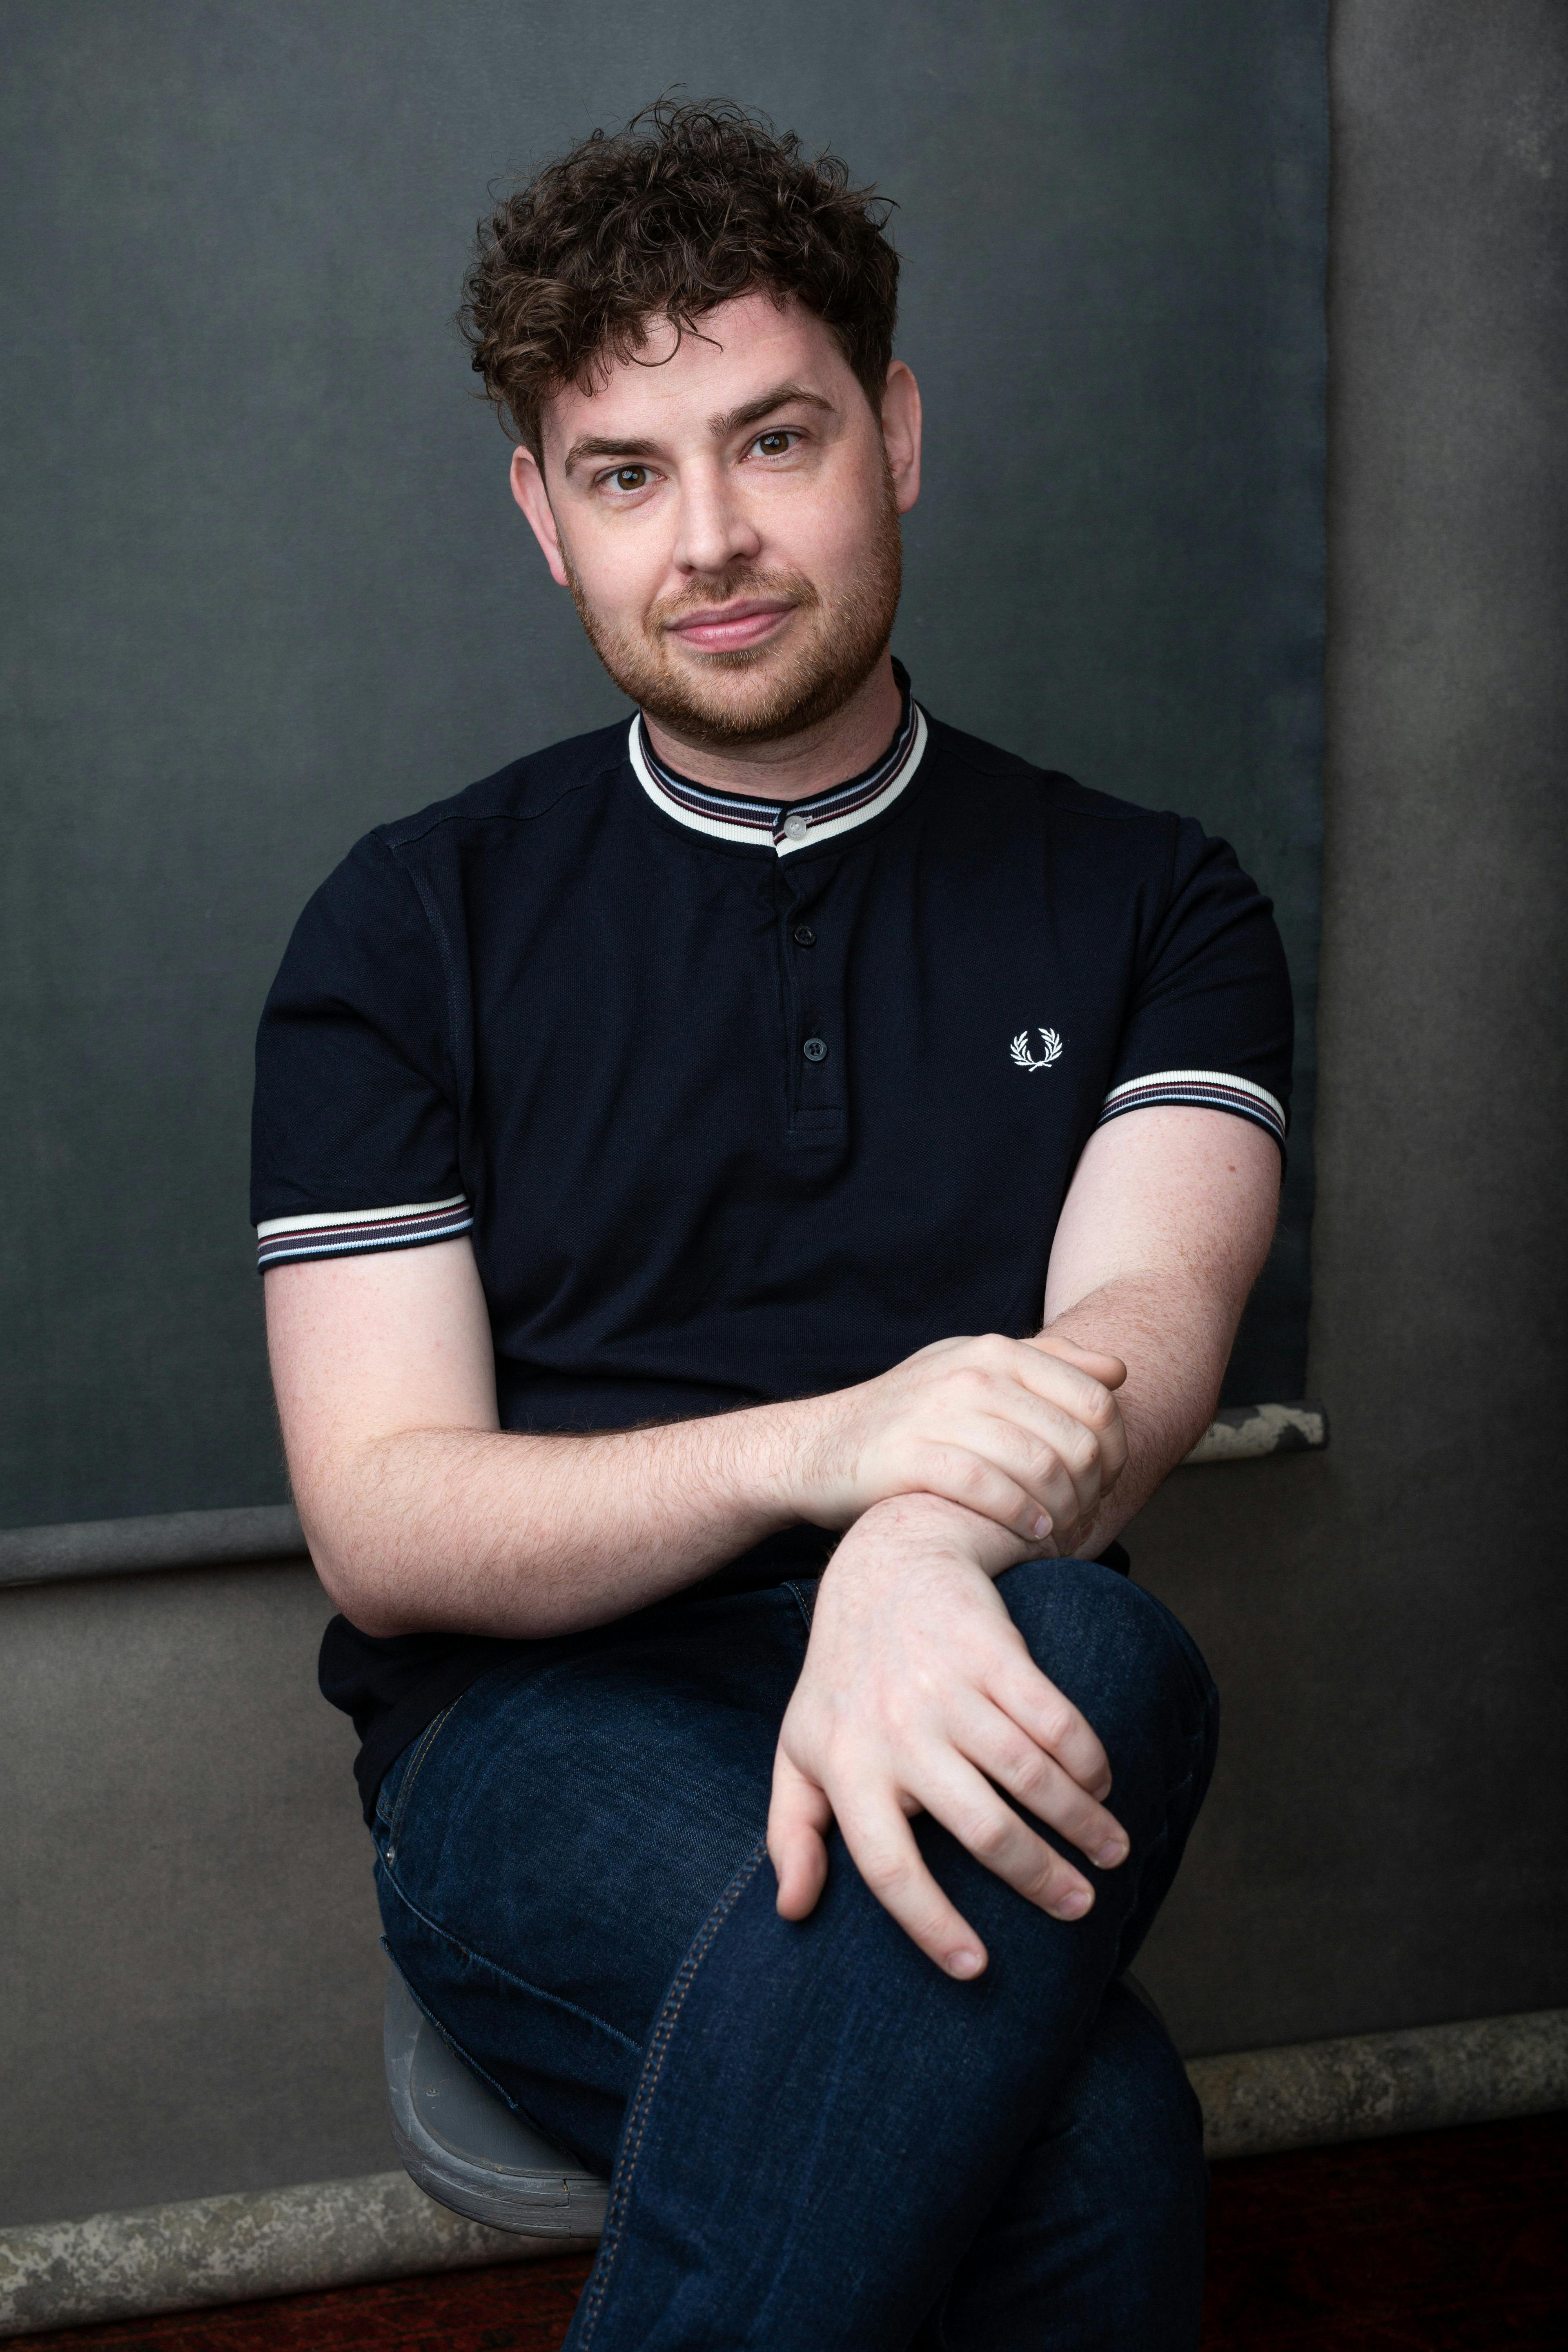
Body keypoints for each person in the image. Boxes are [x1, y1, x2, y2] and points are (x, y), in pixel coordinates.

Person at [253, 100, 1290, 2351]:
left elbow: (1148, 1319)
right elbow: (389, 1524)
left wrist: (909, 1549)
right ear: (545, 519)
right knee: (1090, 2142)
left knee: (1099, 1643)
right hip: (537, 1729)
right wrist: (835, 1451)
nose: (711, 538)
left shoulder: (1157, 902)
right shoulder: (406, 927)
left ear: (893, 435)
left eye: (775, 440)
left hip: (981, 1650)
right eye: (626, 474)